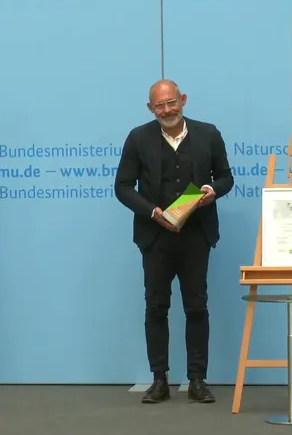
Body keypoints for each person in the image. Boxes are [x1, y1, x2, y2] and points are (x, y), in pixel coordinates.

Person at [114, 79, 234, 404]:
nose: (167, 110)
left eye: (172, 102)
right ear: (150, 108)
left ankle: (197, 380)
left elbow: (226, 177)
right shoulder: (138, 138)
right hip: (155, 238)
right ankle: (159, 380)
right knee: (156, 307)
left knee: (197, 306)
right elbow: (122, 186)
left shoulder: (208, 134)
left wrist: (212, 191)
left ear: (183, 100)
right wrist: (153, 212)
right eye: (160, 105)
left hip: (197, 235)